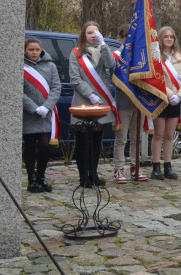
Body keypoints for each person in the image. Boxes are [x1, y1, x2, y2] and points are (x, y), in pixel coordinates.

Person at [69, 21, 117, 188]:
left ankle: (94, 173)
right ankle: (84, 176)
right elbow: (74, 78)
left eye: (96, 32)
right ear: (84, 35)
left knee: (96, 141)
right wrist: (90, 93)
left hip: (100, 104)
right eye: (90, 32)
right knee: (83, 142)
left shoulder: (102, 51)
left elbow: (112, 65)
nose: (93, 35)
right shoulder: (76, 54)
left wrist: (105, 46)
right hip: (83, 101)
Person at [22, 37, 60, 193]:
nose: (34, 53)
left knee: (44, 146)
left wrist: (46, 106)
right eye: (31, 50)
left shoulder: (50, 66)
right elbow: (19, 91)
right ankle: (31, 179)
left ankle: (41, 177)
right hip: (29, 114)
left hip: (45, 114)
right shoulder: (21, 67)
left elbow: (56, 88)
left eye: (37, 50)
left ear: (41, 50)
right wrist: (32, 107)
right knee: (30, 146)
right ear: (25, 50)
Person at [151, 26, 181, 180]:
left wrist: (180, 96)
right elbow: (155, 79)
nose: (168, 39)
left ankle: (168, 165)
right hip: (161, 98)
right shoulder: (156, 57)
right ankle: (155, 167)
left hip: (176, 101)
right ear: (160, 39)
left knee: (169, 135)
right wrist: (170, 94)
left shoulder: (180, 58)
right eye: (165, 36)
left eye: (171, 37)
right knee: (158, 134)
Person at [112, 28, 145, 183]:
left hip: (139, 101)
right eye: (126, 37)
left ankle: (135, 166)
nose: (128, 39)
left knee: (136, 138)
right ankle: (118, 169)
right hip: (124, 101)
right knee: (122, 138)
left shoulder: (141, 56)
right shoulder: (117, 55)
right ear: (121, 38)